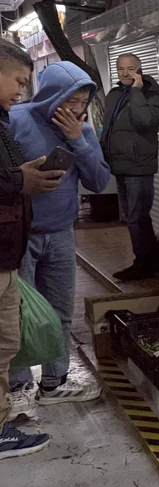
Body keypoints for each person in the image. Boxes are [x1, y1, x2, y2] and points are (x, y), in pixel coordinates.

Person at [7, 62, 110, 418]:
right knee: (18, 315)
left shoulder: (82, 131)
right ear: (52, 95)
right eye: (71, 100)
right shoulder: (14, 120)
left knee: (60, 312)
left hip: (62, 233)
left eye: (83, 101)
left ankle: (54, 382)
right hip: (20, 235)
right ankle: (18, 386)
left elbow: (99, 181)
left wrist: (78, 140)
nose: (77, 108)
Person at [0, 40, 64, 459]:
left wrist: (21, 175)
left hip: (6, 258)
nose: (22, 90)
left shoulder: (2, 122)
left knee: (4, 345)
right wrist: (18, 180)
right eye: (18, 81)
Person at [100, 53, 159, 281]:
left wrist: (136, 92)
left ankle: (143, 263)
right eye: (121, 69)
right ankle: (153, 260)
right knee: (135, 217)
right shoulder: (114, 94)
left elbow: (145, 121)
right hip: (120, 164)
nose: (125, 73)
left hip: (139, 166)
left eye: (130, 68)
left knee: (137, 217)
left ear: (140, 69)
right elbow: (108, 128)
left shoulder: (152, 96)